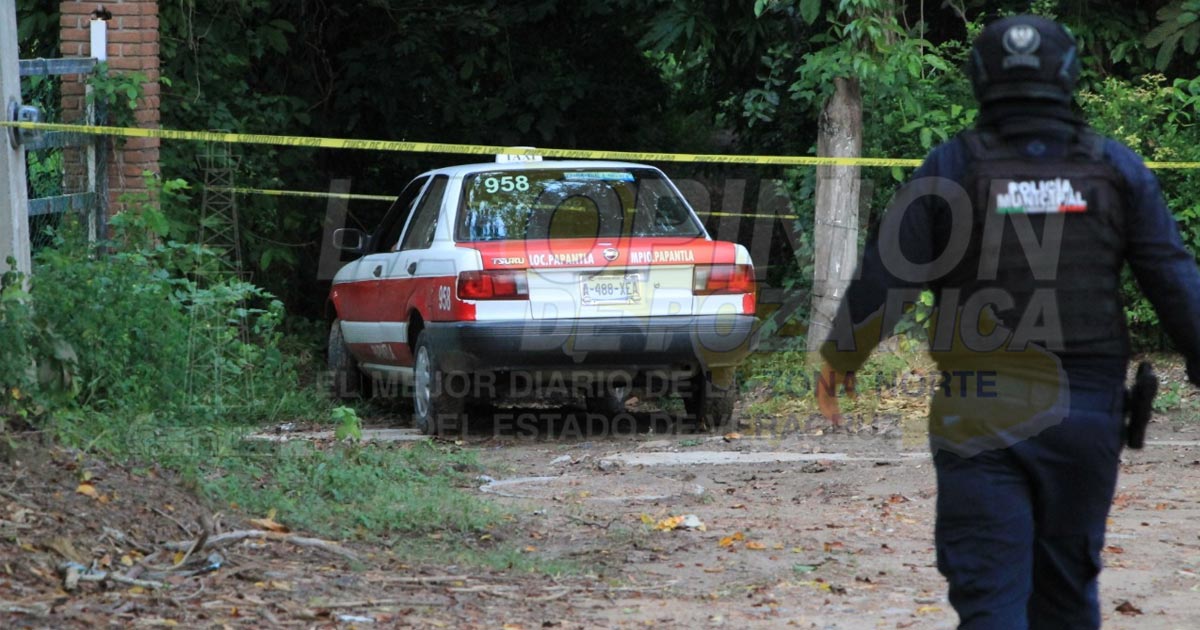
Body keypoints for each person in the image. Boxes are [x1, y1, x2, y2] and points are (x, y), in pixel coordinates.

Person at [816, 14, 1200, 629]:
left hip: (980, 410)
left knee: (990, 593)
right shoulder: (1116, 170)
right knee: (1067, 592)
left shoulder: (951, 166)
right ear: (1070, 77)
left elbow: (888, 276)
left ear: (979, 80)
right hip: (1086, 412)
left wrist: (842, 358)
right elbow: (1173, 277)